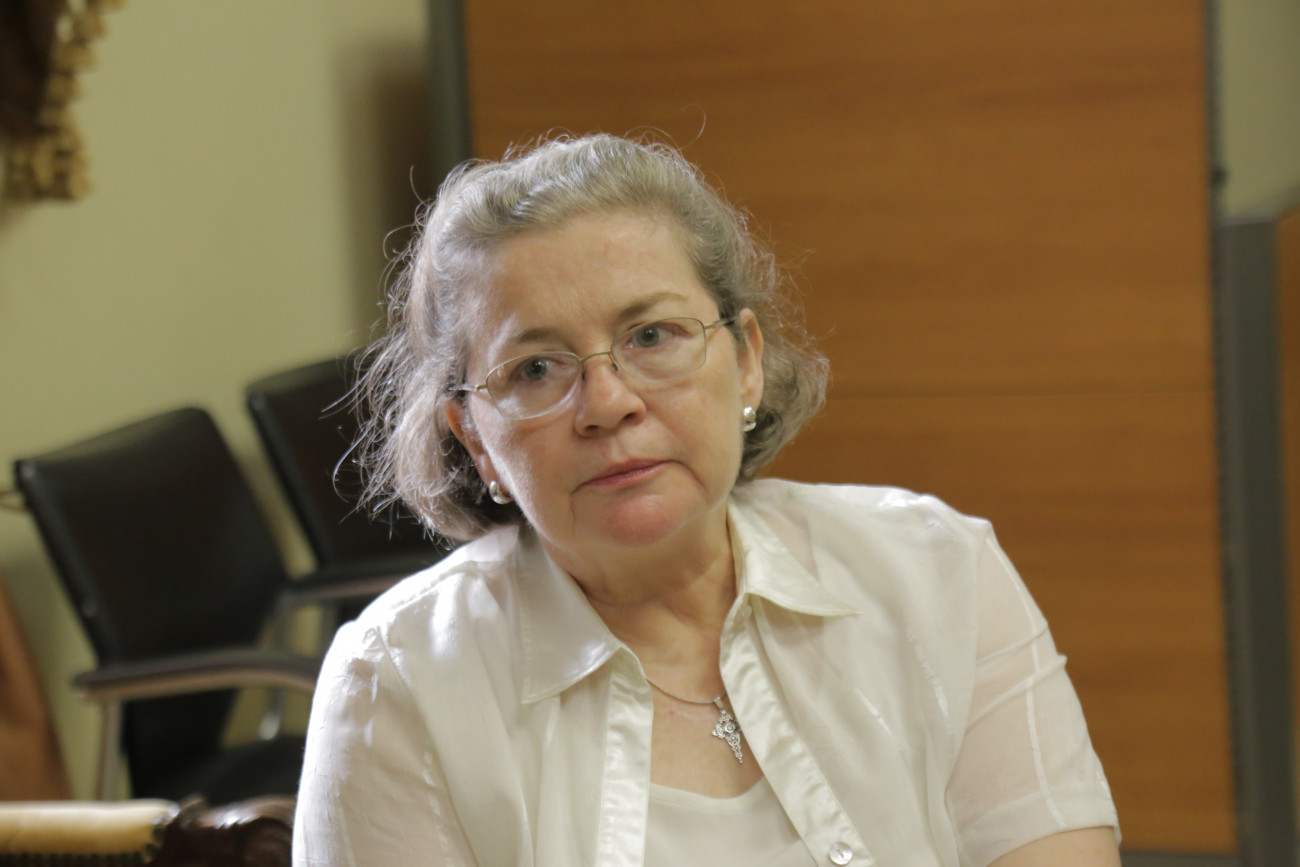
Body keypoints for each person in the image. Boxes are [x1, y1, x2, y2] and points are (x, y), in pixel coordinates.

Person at [293, 134, 1121, 867]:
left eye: (652, 335)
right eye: (536, 368)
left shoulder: (938, 570)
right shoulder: (398, 684)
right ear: (475, 437)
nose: (607, 401)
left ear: (747, 361)